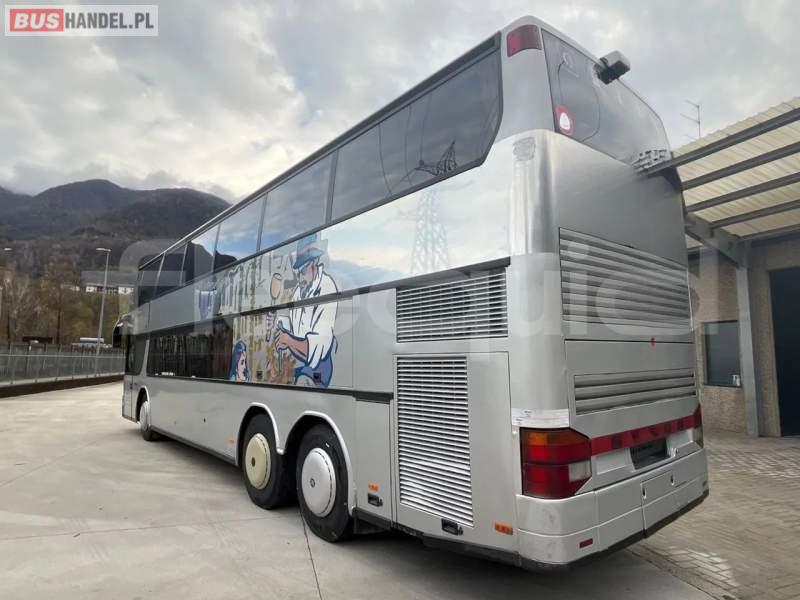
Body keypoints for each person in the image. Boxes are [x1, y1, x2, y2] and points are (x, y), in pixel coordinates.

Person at [268, 233, 338, 387]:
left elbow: (317, 347)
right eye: (298, 270)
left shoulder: (327, 287)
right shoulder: (298, 293)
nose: (299, 275)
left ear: (314, 263)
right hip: (301, 364)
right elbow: (294, 327)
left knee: (299, 382)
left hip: (319, 368)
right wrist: (277, 324)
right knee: (277, 379)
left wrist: (287, 340)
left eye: (303, 269)